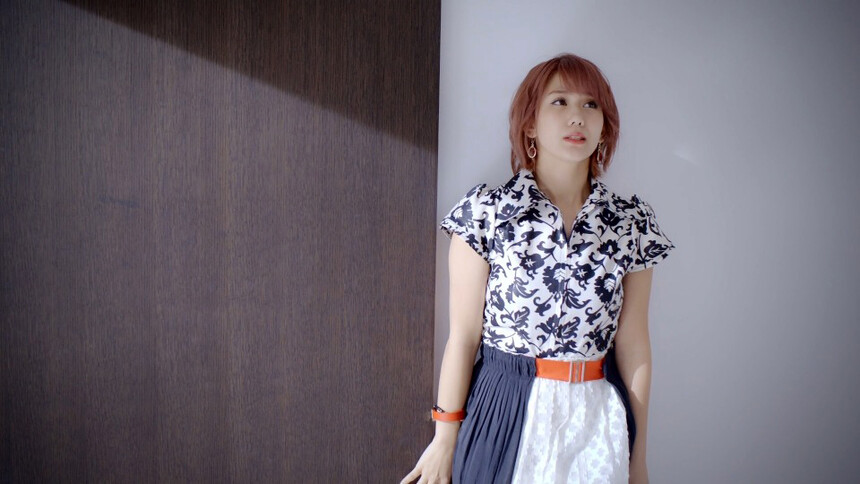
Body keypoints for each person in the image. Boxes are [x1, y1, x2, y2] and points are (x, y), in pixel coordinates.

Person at [401, 53, 674, 484]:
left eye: (591, 105)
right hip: (502, 407)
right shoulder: (486, 213)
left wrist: (637, 458)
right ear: (529, 124)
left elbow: (634, 345)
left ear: (605, 126)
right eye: (559, 101)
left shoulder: (630, 224)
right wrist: (444, 439)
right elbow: (464, 337)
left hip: (596, 420)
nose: (577, 117)